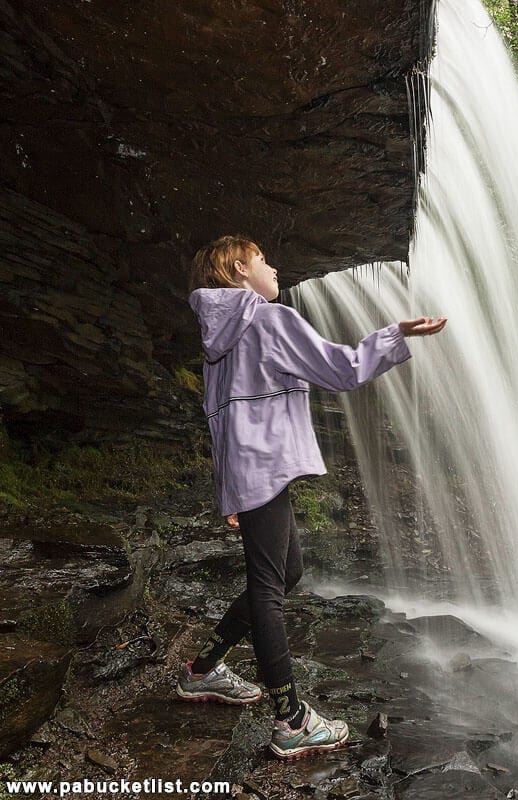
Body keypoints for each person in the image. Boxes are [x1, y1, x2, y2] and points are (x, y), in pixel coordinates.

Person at [176, 234, 446, 760]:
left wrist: (229, 487)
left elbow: (220, 417)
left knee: (287, 572)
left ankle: (203, 670)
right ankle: (291, 720)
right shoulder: (267, 320)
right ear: (236, 270)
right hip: (267, 469)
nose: (274, 267)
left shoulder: (216, 340)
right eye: (262, 259)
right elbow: (341, 369)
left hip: (250, 472)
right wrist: (395, 334)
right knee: (269, 588)